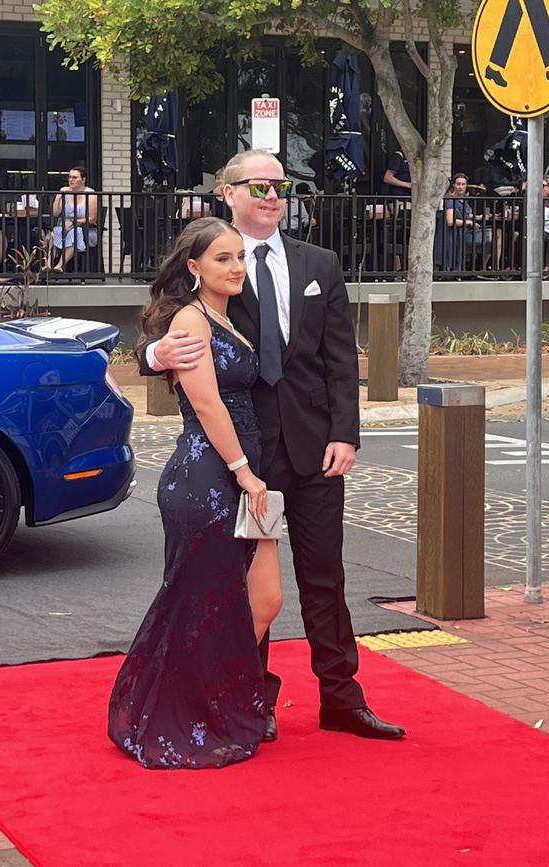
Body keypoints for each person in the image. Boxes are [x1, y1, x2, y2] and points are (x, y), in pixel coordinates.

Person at [139, 149, 405, 742]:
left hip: (315, 450)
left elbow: (340, 358)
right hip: (245, 460)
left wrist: (345, 433)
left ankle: (341, 697)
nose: (270, 194)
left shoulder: (321, 263)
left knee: (324, 576)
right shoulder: (219, 263)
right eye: (255, 185)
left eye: (278, 185)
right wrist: (155, 356)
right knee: (248, 588)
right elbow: (170, 329)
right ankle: (250, 698)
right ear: (225, 194)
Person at [109, 217, 283, 769]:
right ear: (193, 268)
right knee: (200, 602)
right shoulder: (191, 319)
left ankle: (217, 698)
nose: (235, 268)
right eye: (222, 259)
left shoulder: (228, 316)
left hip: (243, 474)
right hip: (209, 478)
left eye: (239, 258)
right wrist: (244, 472)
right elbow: (206, 403)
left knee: (264, 600)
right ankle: (177, 709)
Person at [444, 172, 500, 272]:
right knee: (497, 235)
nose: (460, 187)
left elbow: (467, 215)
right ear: (453, 185)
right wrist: (470, 223)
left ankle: (483, 267)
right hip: (461, 235)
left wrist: (480, 217)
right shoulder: (450, 200)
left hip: (467, 232)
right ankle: (494, 268)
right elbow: (450, 221)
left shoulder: (463, 199)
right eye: (458, 184)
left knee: (496, 234)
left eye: (463, 184)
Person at [46, 166, 98, 272]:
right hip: (64, 227)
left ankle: (59, 265)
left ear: (83, 180)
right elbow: (55, 213)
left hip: (85, 229)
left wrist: (74, 222)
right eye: (69, 177)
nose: (71, 180)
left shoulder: (91, 194)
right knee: (54, 233)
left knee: (75, 233)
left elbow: (92, 219)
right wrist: (59, 196)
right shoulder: (66, 192)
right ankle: (48, 265)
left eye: (75, 178)